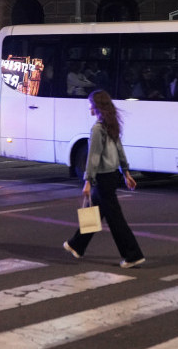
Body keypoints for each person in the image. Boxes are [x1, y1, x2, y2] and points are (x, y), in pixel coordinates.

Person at [63, 90, 145, 268]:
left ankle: (133, 255)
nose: (89, 107)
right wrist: (126, 171)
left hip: (102, 177)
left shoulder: (98, 128)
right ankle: (77, 244)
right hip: (112, 175)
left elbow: (94, 157)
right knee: (96, 212)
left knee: (116, 220)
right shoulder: (110, 124)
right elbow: (119, 149)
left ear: (97, 106)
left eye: (91, 104)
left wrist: (87, 181)